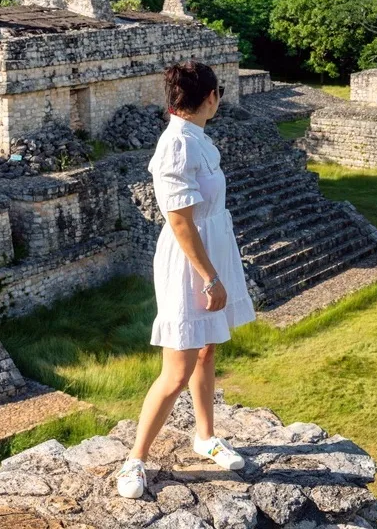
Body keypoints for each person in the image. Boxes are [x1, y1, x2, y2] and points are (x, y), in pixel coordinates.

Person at [116, 60, 257, 499]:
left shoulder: (197, 138)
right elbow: (179, 222)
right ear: (211, 97)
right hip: (189, 261)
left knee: (207, 347)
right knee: (176, 369)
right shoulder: (177, 144)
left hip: (211, 247)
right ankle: (135, 459)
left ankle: (205, 435)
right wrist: (210, 278)